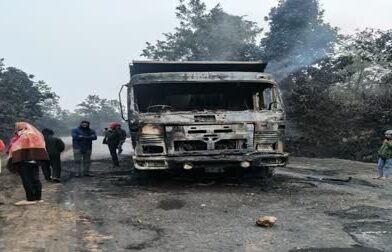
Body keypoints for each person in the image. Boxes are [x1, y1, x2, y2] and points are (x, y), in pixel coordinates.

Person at [7, 122, 49, 206]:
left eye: (17, 127)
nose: (16, 128)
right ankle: (38, 198)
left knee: (27, 180)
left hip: (24, 161)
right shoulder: (35, 134)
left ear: (20, 127)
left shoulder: (23, 135)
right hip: (35, 161)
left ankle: (30, 198)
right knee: (36, 179)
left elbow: (16, 147)